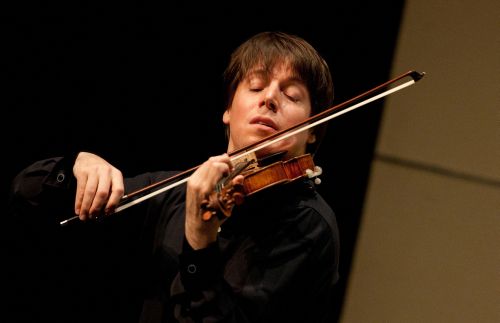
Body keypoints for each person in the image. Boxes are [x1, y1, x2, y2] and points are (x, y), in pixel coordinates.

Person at [7, 31, 339, 323]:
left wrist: (198, 241)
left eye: (292, 95)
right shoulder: (178, 191)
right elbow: (28, 192)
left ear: (312, 130)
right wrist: (80, 164)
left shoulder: (308, 224)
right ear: (228, 110)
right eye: (256, 86)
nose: (269, 98)